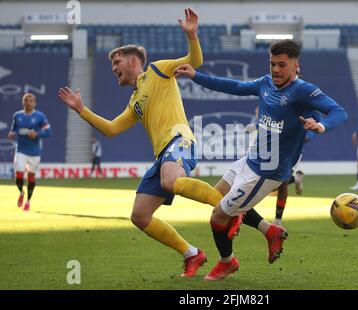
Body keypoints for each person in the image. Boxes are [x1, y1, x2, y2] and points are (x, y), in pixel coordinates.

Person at [58, 8, 235, 278]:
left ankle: (228, 209)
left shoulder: (158, 69)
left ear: (132, 61)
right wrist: (82, 110)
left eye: (116, 62)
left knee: (168, 180)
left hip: (180, 139)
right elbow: (112, 129)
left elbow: (194, 60)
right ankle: (192, 253)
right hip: (162, 154)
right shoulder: (134, 100)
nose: (113, 68)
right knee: (139, 216)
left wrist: (192, 36)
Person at [174, 39, 348, 280]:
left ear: (296, 65)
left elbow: (339, 111)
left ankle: (227, 262)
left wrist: (321, 125)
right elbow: (234, 86)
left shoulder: (303, 91)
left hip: (267, 171)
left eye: (282, 65)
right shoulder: (266, 83)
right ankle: (269, 230)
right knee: (216, 196)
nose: (275, 69)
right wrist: (196, 75)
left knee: (218, 216)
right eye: (272, 64)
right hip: (250, 160)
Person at [7, 93, 52, 211]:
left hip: (34, 152)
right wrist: (12, 133)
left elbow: (49, 132)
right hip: (21, 150)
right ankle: (21, 192)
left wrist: (37, 133)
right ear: (23, 103)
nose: (28, 102)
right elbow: (14, 128)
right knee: (19, 174)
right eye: (26, 100)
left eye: (31, 100)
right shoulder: (17, 116)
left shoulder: (40, 116)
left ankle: (28, 201)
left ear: (34, 103)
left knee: (31, 177)